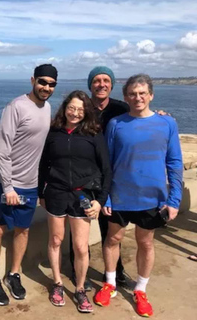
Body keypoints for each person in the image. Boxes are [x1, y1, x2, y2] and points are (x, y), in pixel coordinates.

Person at [94, 74, 183, 317]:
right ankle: (110, 283)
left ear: (151, 95)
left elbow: (174, 162)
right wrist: (107, 198)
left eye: (142, 93)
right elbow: (107, 164)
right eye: (132, 93)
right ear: (125, 97)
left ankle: (140, 289)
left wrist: (174, 200)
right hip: (120, 196)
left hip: (152, 197)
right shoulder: (116, 124)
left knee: (145, 242)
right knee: (113, 240)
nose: (138, 97)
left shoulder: (167, 124)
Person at [0, 64, 58, 306]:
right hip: (5, 182)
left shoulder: (47, 108)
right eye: (42, 82)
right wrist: (8, 187)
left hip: (30, 183)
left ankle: (13, 273)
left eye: (51, 84)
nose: (46, 87)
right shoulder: (15, 107)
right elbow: (2, 150)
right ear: (32, 80)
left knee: (23, 230)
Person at [38, 90, 112, 313]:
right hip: (56, 193)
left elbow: (106, 169)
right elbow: (43, 164)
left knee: (80, 246)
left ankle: (80, 289)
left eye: (80, 109)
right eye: (72, 108)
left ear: (86, 111)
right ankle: (58, 283)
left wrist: (100, 200)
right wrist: (41, 192)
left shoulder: (93, 134)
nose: (75, 113)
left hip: (83, 196)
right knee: (56, 240)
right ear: (65, 108)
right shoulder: (54, 132)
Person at [68, 66, 130, 291]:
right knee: (77, 224)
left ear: (112, 84)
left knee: (110, 227)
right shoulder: (81, 108)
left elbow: (142, 115)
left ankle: (115, 270)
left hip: (109, 178)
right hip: (82, 181)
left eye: (106, 80)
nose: (101, 84)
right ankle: (76, 269)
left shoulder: (121, 108)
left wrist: (162, 115)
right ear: (90, 85)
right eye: (96, 80)